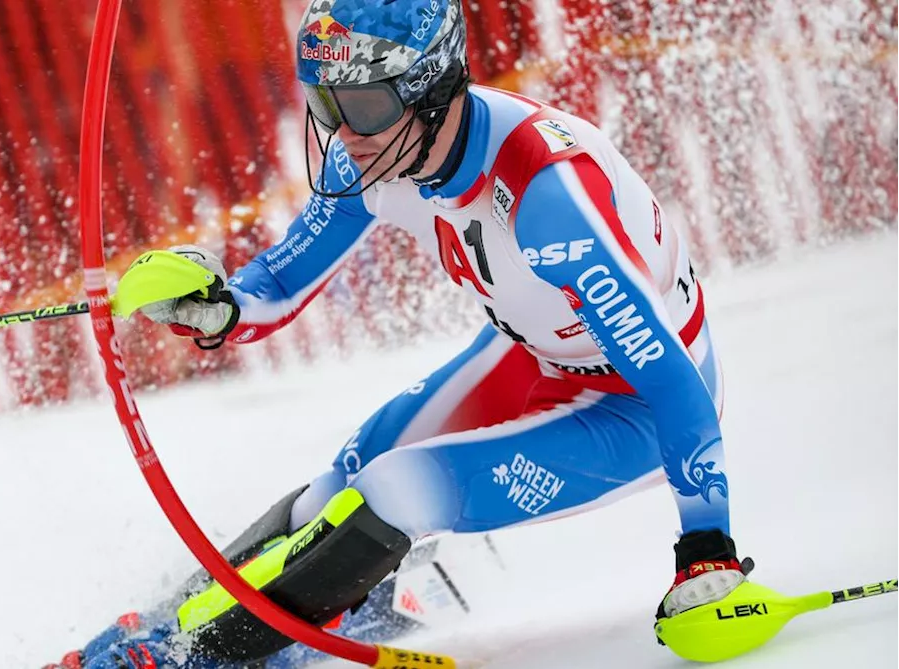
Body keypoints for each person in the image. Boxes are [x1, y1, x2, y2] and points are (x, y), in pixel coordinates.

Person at [49, 0, 756, 666]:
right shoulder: (375, 152)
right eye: (325, 103)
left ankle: (189, 654)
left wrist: (708, 546)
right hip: (531, 358)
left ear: (432, 88)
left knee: (393, 490)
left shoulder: (547, 197)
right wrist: (217, 305)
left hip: (635, 408)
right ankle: (179, 629)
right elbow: (279, 284)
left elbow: (670, 377)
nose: (343, 133)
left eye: (362, 105)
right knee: (337, 485)